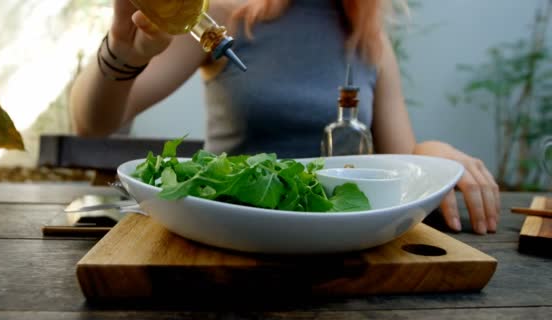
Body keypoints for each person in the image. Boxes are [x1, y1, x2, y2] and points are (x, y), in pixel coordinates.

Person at [70, 0, 500, 235]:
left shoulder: (369, 41)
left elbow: (400, 159)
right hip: (225, 237)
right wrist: (121, 54)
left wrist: (434, 155)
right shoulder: (219, 17)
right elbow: (93, 123)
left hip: (337, 248)